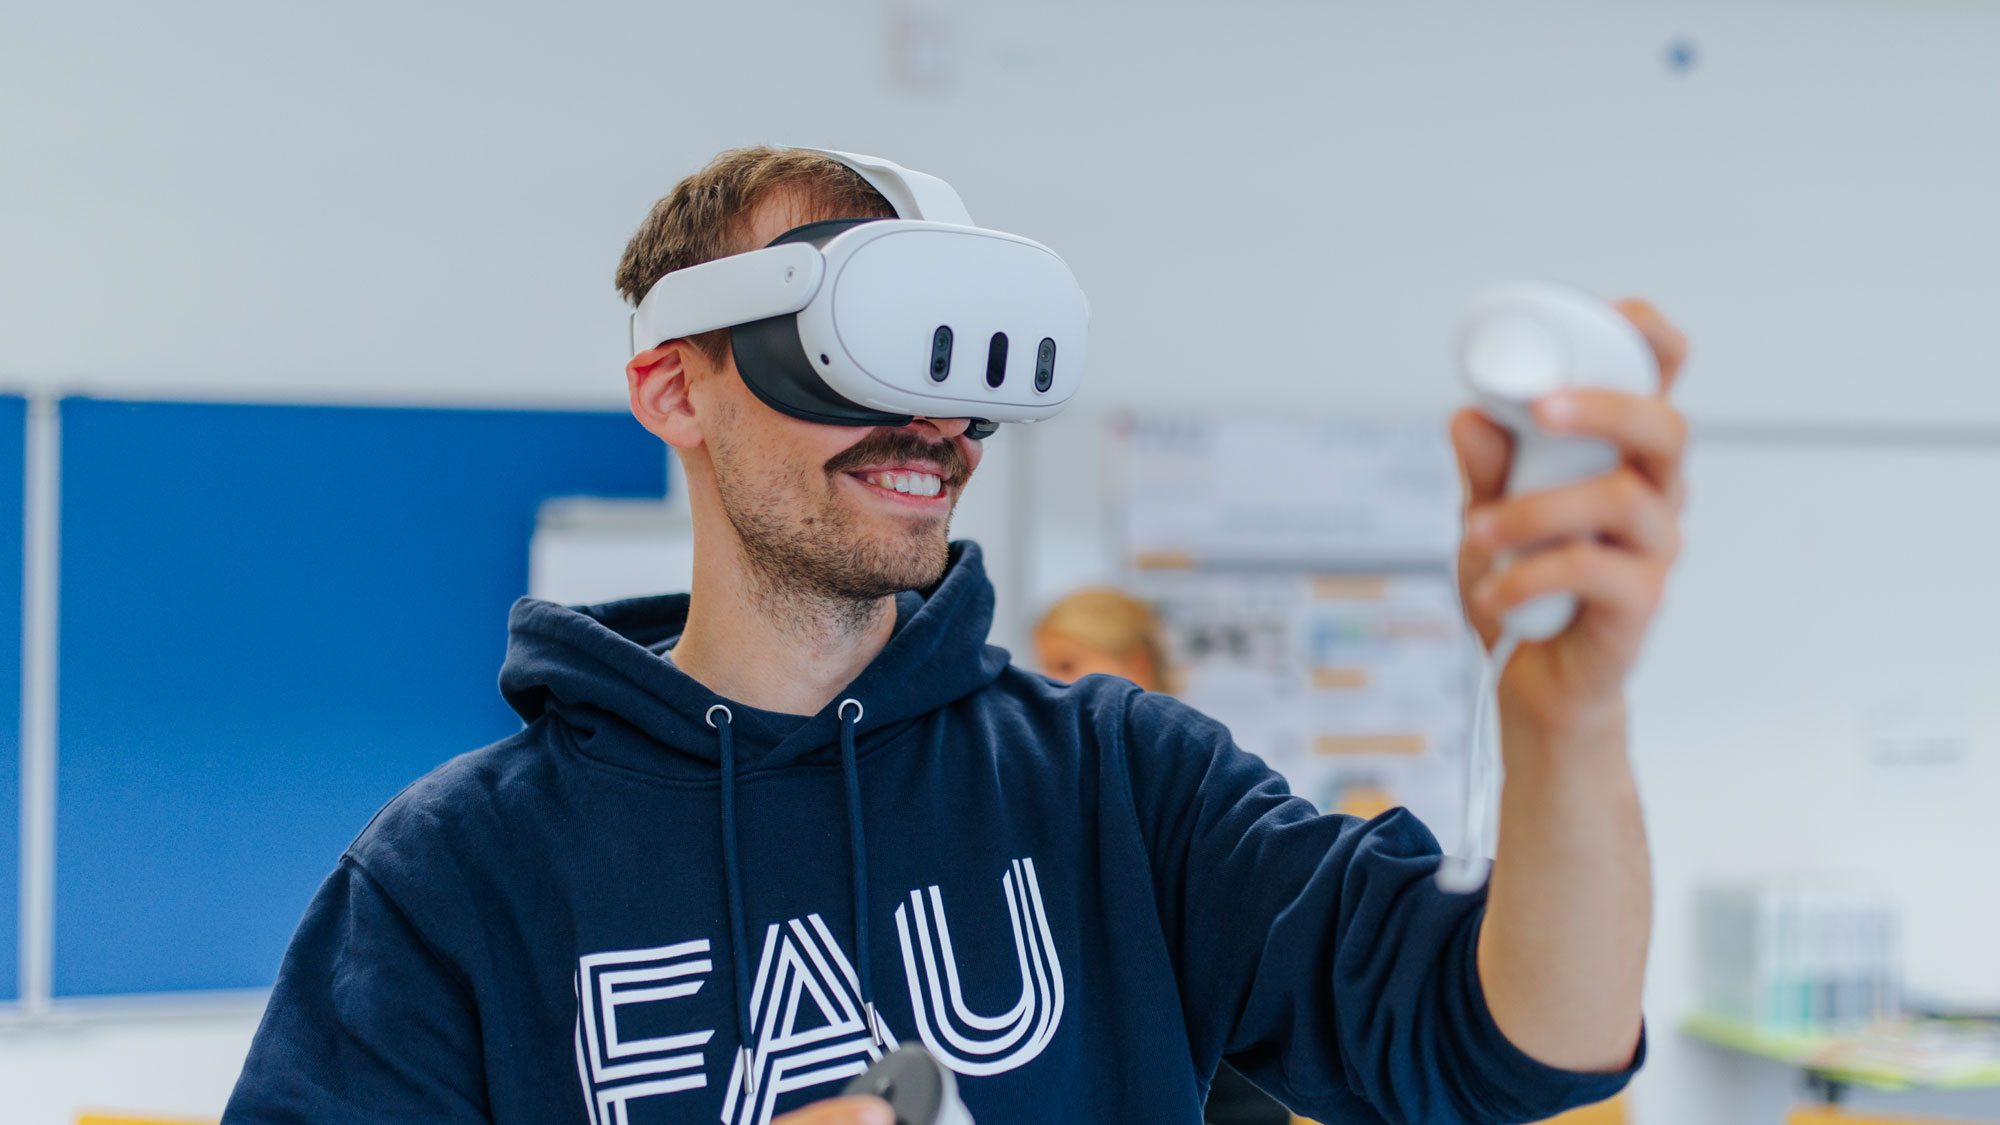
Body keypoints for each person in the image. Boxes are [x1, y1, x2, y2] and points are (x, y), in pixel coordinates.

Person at [223, 146, 1690, 1125]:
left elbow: (1519, 1042)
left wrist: (1568, 718)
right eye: (853, 352)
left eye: (958, 368)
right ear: (675, 390)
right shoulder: (455, 877)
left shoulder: (1117, 783)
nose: (933, 425)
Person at [1033, 588, 1290, 1125]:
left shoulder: (1197, 788)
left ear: (1136, 665)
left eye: (1068, 664)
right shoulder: (1069, 786)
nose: (1049, 683)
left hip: (1225, 1079)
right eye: (1045, 666)